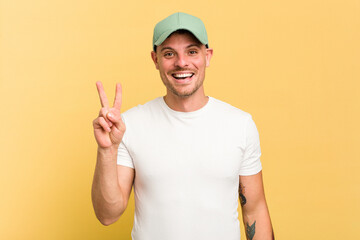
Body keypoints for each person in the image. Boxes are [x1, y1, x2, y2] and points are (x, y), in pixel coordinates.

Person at [92, 12, 274, 240]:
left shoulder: (240, 124)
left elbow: (254, 210)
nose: (181, 62)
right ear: (155, 59)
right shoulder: (130, 125)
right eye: (169, 53)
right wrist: (107, 151)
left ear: (207, 56)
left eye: (192, 51)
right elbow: (107, 215)